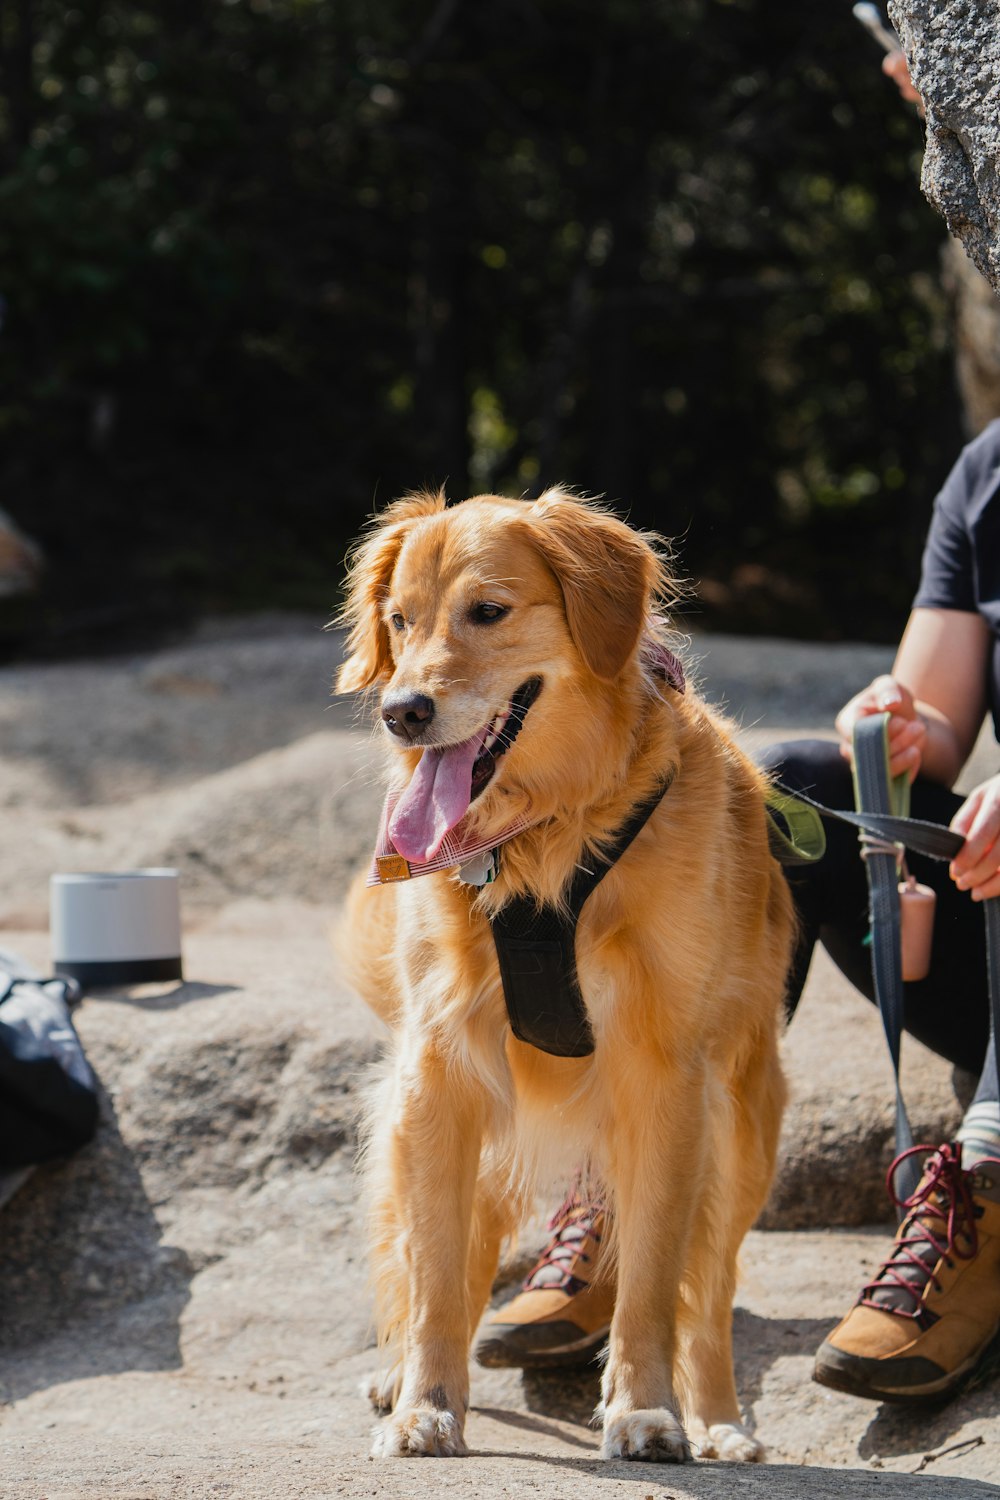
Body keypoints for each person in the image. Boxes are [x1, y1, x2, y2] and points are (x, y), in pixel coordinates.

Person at [476, 418, 1000, 1406]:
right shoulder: (986, 471)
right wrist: (885, 723)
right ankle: (633, 1193)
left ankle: (989, 1207)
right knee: (785, 786)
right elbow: (928, 726)